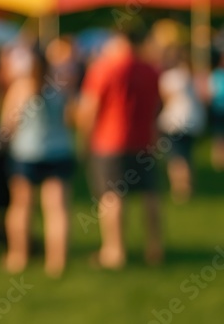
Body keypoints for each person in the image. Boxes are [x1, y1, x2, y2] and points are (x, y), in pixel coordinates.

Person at [77, 24, 162, 268]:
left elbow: (89, 108)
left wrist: (85, 139)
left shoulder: (104, 68)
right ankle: (155, 248)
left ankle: (115, 251)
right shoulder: (150, 69)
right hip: (144, 140)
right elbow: (156, 105)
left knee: (112, 197)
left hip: (109, 142)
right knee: (150, 196)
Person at [2, 49, 74, 277]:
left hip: (27, 154)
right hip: (58, 152)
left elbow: (7, 125)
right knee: (57, 210)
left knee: (21, 208)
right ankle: (57, 262)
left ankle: (18, 257)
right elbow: (69, 119)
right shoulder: (60, 87)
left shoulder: (20, 88)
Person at [158, 49, 205, 203]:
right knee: (187, 155)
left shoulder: (169, 77)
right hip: (193, 121)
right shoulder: (190, 76)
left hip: (175, 122)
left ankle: (180, 190)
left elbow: (166, 99)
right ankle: (190, 187)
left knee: (176, 158)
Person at [207, 51, 224, 171]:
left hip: (218, 108)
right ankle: (219, 162)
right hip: (218, 110)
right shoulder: (215, 75)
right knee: (218, 136)